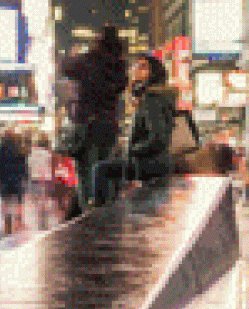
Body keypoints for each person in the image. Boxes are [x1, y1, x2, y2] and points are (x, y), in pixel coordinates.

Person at [95, 55, 192, 205]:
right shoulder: (155, 96)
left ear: (154, 73)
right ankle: (110, 211)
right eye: (136, 66)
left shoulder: (152, 98)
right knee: (110, 170)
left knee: (101, 170)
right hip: (157, 162)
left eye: (143, 66)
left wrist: (133, 150)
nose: (136, 69)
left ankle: (100, 217)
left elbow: (158, 138)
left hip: (150, 164)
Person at [60, 25, 130, 214]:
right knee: (104, 170)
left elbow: (65, 68)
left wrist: (75, 54)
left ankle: (89, 214)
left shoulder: (89, 61)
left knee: (85, 172)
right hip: (109, 125)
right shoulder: (120, 66)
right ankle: (104, 210)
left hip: (88, 125)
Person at [0, 129, 29, 234]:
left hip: (4, 180)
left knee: (6, 201)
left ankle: (7, 225)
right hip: (17, 179)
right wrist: (25, 177)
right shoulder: (19, 149)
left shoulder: (0, 150)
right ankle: (19, 222)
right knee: (19, 202)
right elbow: (24, 166)